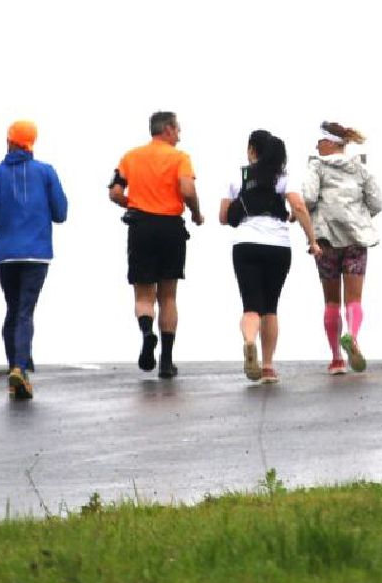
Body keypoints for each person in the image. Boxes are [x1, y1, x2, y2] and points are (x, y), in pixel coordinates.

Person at [221, 129, 321, 385]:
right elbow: (298, 207)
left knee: (251, 306)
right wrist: (312, 240)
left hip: (245, 244)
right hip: (278, 246)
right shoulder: (282, 176)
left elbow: (223, 217)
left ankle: (249, 341)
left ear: (253, 150)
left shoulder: (237, 175)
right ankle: (267, 367)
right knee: (271, 307)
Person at [109, 110, 204, 379]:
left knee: (143, 295)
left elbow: (115, 192)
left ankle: (146, 332)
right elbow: (187, 190)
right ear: (169, 130)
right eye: (178, 130)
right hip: (170, 228)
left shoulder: (131, 157)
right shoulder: (180, 158)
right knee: (168, 296)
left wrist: (133, 202)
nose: (180, 135)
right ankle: (167, 360)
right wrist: (196, 213)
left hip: (141, 227)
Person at [0, 119, 68, 400]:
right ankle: (20, 366)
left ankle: (14, 367)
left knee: (13, 307)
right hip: (36, 252)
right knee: (25, 310)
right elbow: (61, 212)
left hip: (5, 254)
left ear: (8, 141)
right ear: (32, 143)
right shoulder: (46, 173)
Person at [301, 121, 382, 375]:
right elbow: (377, 202)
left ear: (328, 143)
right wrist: (357, 215)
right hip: (356, 239)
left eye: (319, 141)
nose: (316, 146)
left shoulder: (316, 166)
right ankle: (352, 336)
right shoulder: (360, 168)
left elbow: (308, 197)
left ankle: (337, 359)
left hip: (325, 240)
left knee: (331, 301)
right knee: (354, 299)